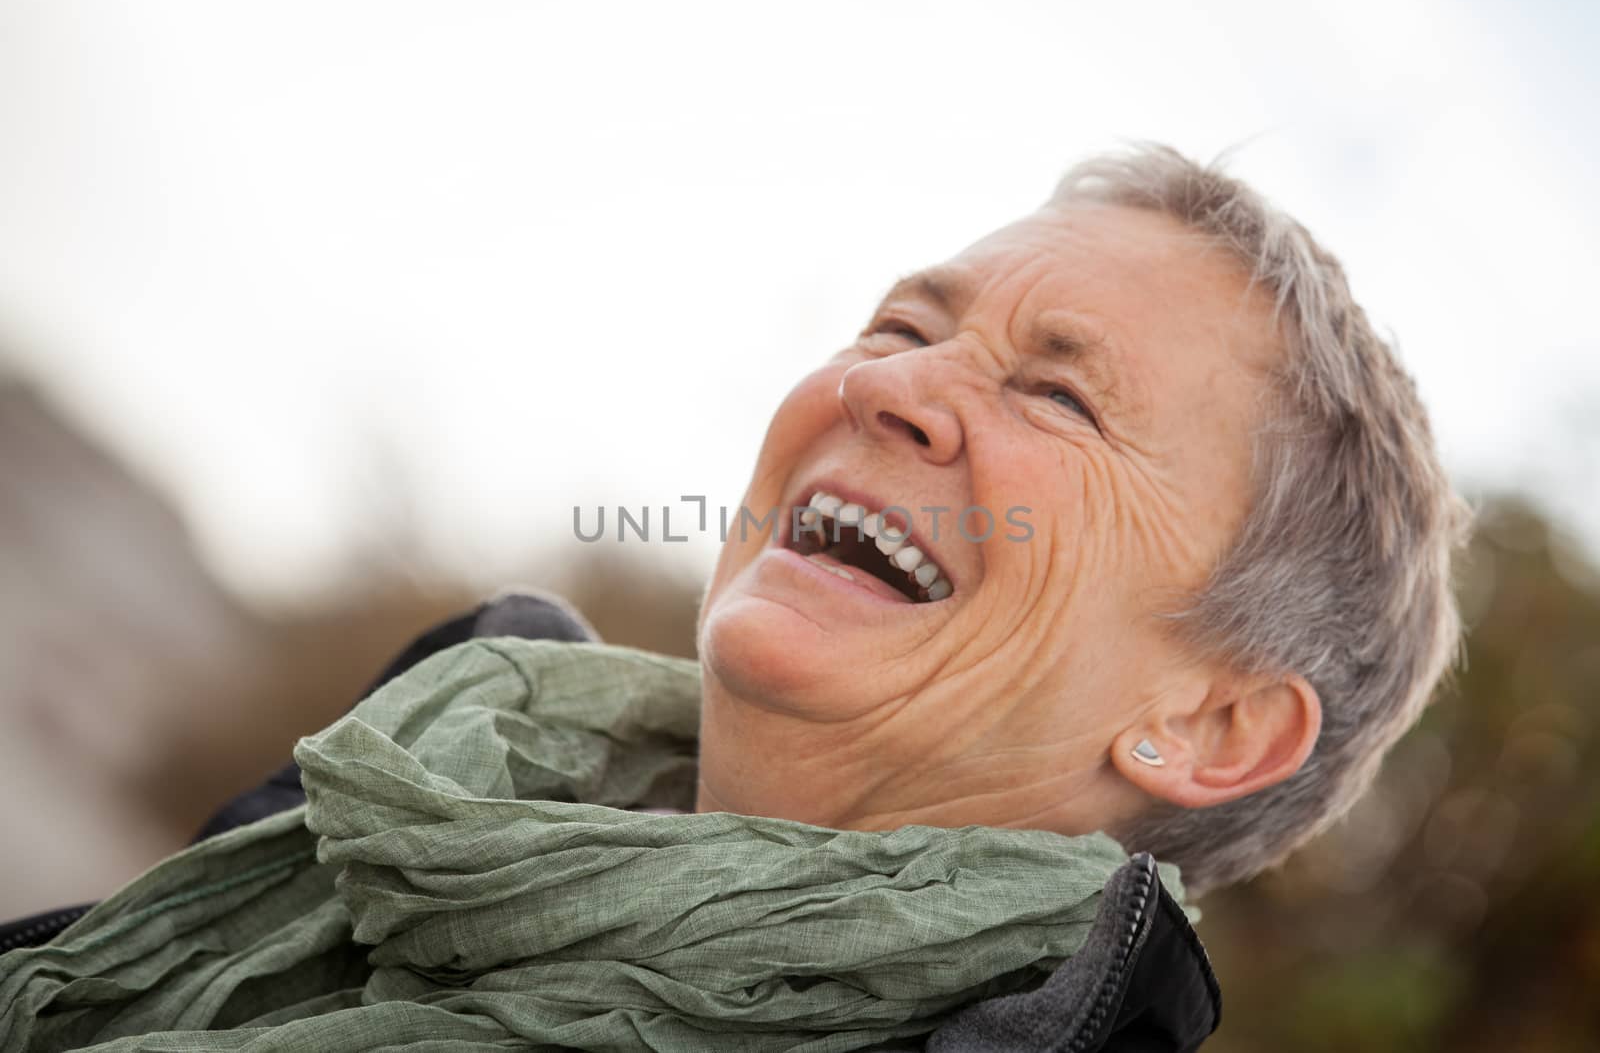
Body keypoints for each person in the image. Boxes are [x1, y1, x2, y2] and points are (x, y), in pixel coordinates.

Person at [0, 145, 1467, 1052]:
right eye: (901, 324)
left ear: (1208, 727)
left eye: (1060, 394)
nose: (887, 383)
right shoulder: (411, 768)